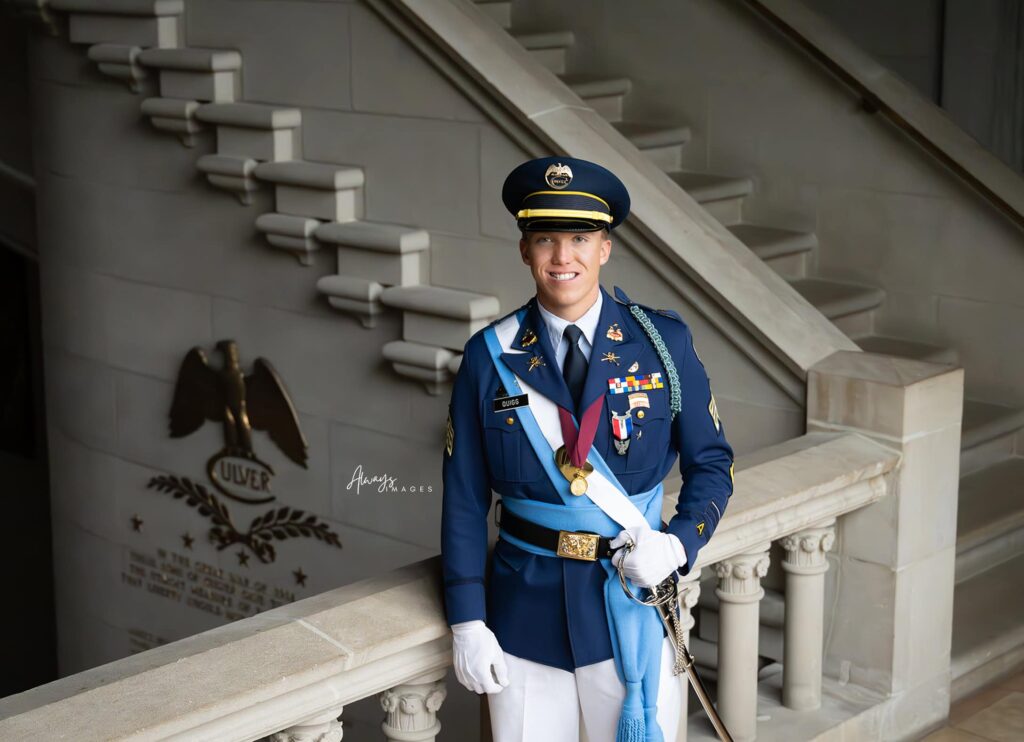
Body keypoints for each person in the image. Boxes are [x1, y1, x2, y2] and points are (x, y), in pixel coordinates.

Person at [441, 156, 735, 742]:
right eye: (545, 239)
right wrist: (467, 619)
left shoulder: (662, 343)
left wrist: (679, 545)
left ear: (605, 248)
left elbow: (712, 464)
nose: (562, 257)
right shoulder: (488, 356)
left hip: (630, 603)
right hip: (524, 615)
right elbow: (465, 501)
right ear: (524, 250)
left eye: (579, 238)